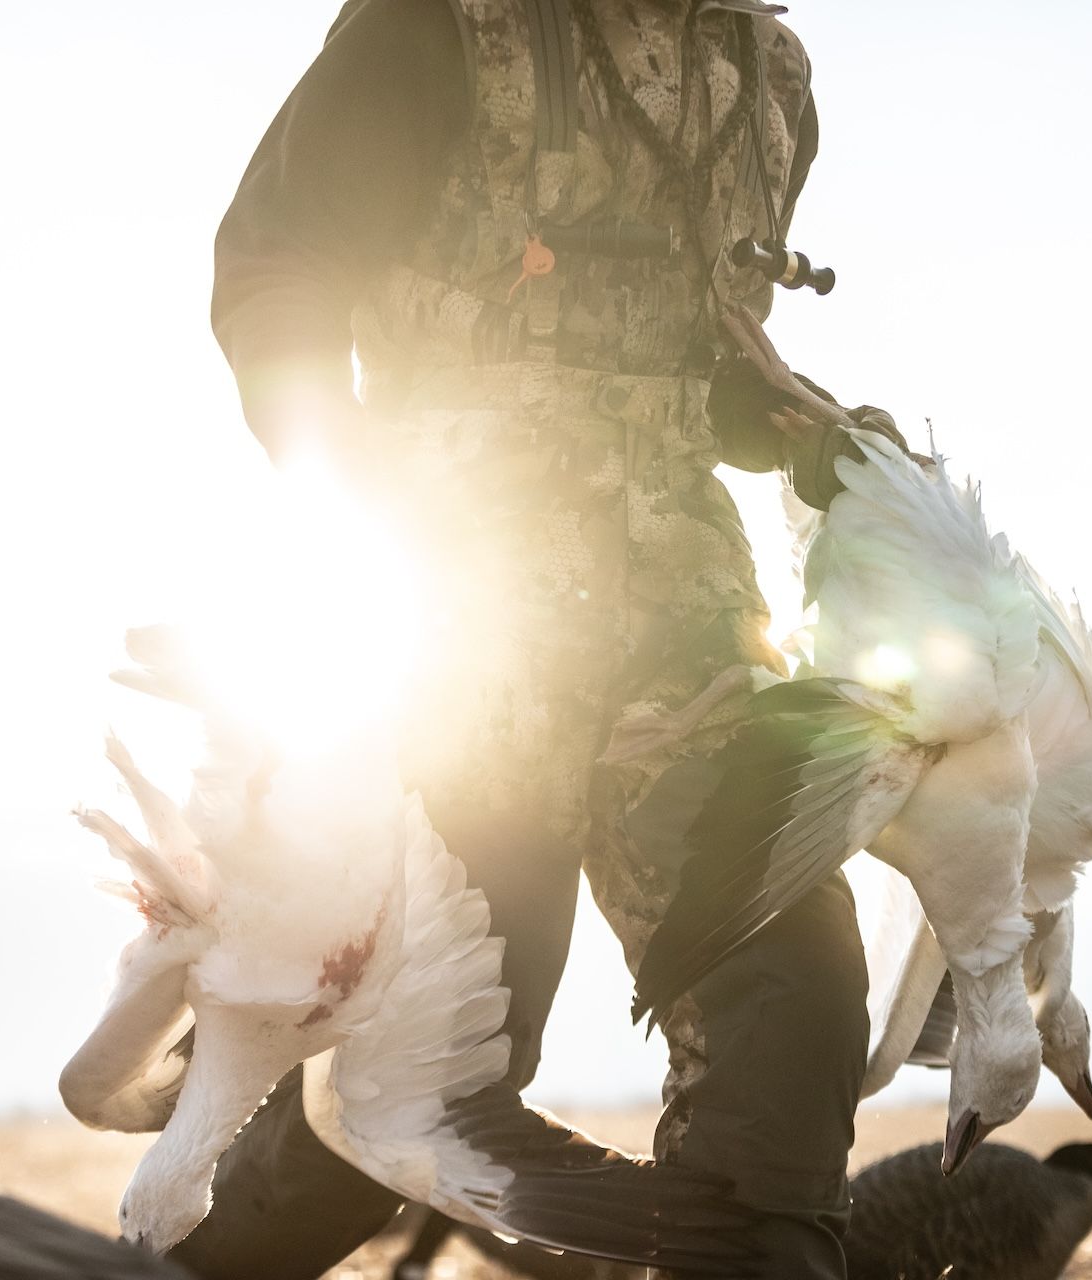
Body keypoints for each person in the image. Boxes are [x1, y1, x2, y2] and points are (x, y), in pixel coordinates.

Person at [176, 2, 903, 1276]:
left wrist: (796, 423)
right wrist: (344, 479)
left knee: (795, 992)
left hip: (686, 619)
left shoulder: (764, 73)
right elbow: (275, 266)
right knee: (442, 1053)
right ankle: (185, 1263)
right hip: (466, 621)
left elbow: (695, 352)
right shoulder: (439, 30)